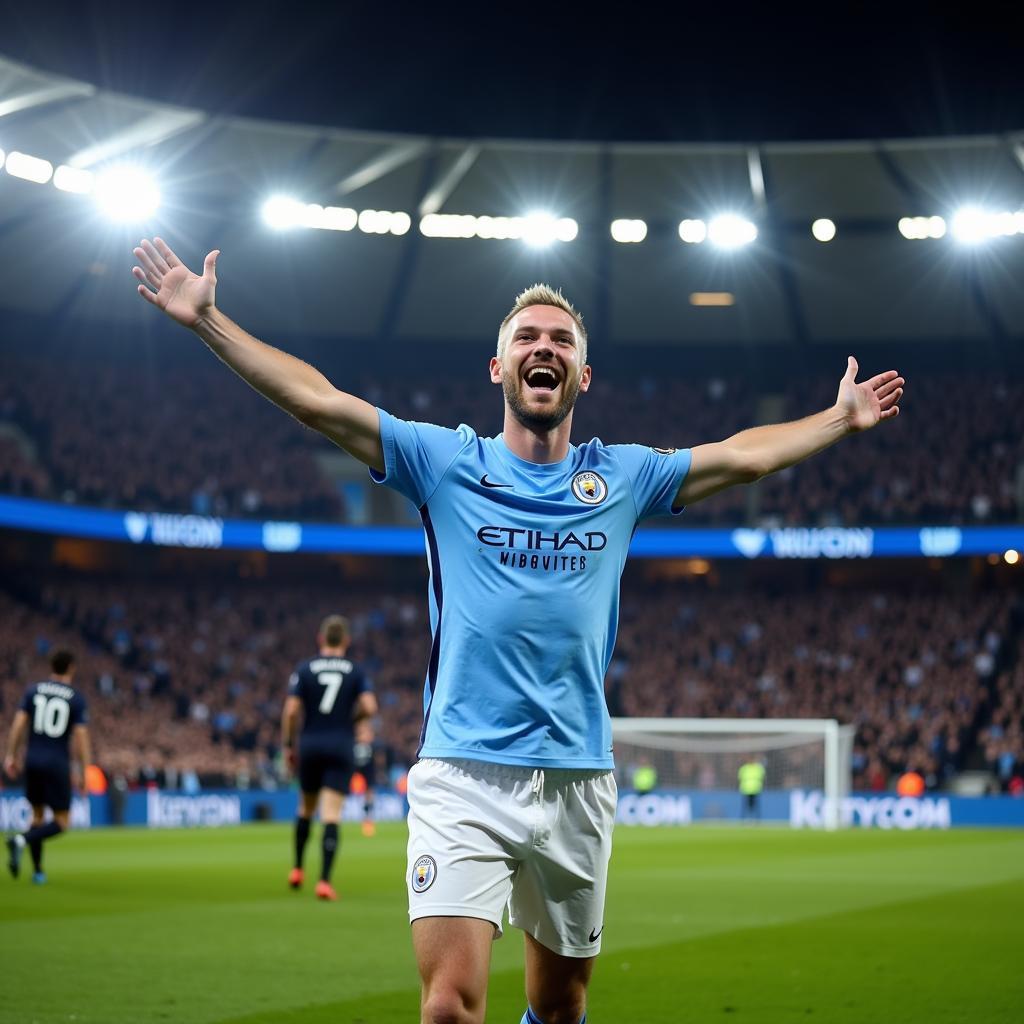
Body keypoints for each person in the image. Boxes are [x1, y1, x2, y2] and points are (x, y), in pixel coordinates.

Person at [132, 236, 904, 1024]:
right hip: (464, 775)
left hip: (578, 778)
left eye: (561, 340)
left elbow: (740, 457)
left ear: (584, 375)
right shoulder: (443, 462)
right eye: (527, 339)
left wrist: (838, 421)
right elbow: (318, 401)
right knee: (448, 1009)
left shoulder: (626, 475)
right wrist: (208, 324)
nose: (545, 347)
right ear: (497, 370)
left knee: (561, 1007)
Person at [281, 614, 377, 901]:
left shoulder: (305, 668)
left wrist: (288, 745)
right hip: (340, 745)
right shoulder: (355, 670)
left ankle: (297, 869)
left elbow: (291, 711)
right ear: (346, 641)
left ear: (320, 639)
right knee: (331, 813)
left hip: (310, 744)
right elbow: (370, 707)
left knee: (305, 808)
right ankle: (323, 881)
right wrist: (351, 718)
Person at [4, 649, 91, 885]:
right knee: (62, 822)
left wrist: (11, 755)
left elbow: (18, 724)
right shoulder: (75, 697)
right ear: (71, 667)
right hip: (56, 762)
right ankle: (21, 841)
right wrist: (84, 772)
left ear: (52, 666)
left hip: (32, 759)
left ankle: (38, 871)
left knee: (37, 815)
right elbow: (81, 738)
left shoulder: (34, 690)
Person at [353, 717, 378, 837]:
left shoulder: (367, 726)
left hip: (368, 764)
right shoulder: (354, 726)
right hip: (354, 763)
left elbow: (369, 738)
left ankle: (368, 820)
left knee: (369, 792)